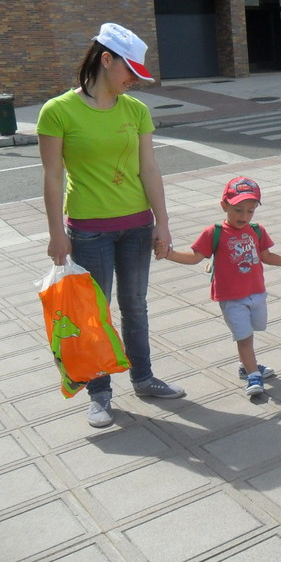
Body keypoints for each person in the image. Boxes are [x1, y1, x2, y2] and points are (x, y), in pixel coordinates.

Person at [38, 22, 184, 428]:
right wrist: (56, 235)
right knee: (93, 312)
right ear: (107, 59)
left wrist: (163, 224)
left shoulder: (135, 110)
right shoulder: (58, 111)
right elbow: (51, 176)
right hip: (88, 229)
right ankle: (99, 394)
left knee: (135, 306)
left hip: (137, 226)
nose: (134, 80)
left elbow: (149, 169)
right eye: (130, 71)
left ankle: (144, 377)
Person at [154, 177, 281, 396]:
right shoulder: (214, 232)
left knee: (251, 331)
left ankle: (247, 365)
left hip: (257, 293)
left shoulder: (257, 230)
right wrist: (169, 254)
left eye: (250, 211)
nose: (244, 216)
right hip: (231, 297)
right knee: (243, 336)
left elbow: (268, 256)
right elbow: (195, 257)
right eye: (238, 209)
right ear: (224, 205)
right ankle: (253, 375)